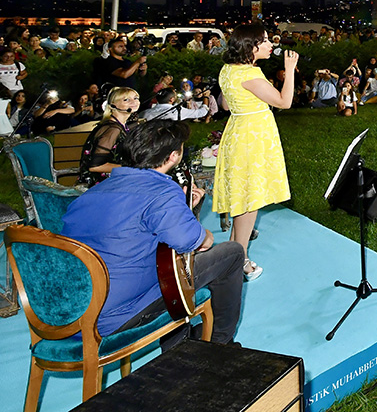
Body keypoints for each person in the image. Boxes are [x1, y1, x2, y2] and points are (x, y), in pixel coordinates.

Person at [60, 121, 244, 345]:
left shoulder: (91, 193)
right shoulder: (162, 191)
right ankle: (218, 343)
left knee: (168, 268)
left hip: (69, 314)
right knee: (232, 253)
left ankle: (181, 343)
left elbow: (147, 235)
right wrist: (205, 233)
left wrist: (184, 213)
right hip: (115, 317)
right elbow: (194, 243)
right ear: (174, 156)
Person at [216, 24, 297, 281]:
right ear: (251, 47)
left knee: (243, 198)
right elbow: (284, 102)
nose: (270, 44)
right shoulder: (251, 74)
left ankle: (231, 250)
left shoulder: (228, 70)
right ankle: (240, 260)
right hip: (253, 138)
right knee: (249, 201)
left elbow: (226, 104)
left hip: (238, 131)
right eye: (263, 41)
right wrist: (291, 71)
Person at [77, 86, 140, 187]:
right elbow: (95, 166)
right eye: (126, 99)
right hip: (102, 187)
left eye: (136, 98)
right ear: (113, 105)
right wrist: (132, 168)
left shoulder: (120, 125)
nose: (134, 102)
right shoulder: (113, 129)